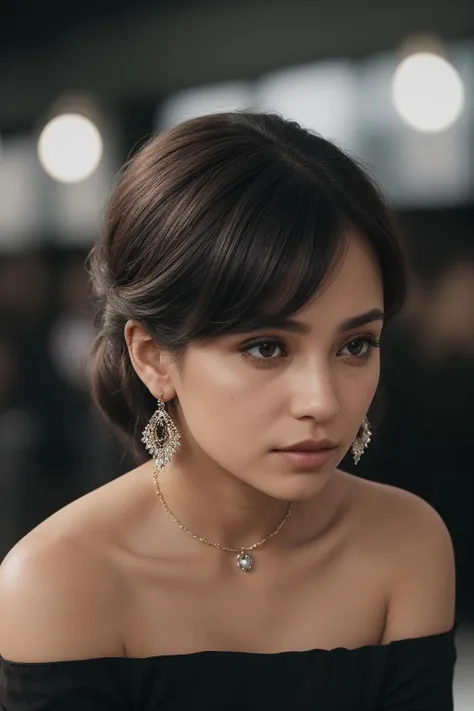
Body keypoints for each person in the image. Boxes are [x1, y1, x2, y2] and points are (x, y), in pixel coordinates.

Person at [0, 112, 456, 710]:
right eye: (266, 348)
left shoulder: (405, 544)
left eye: (354, 346)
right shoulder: (59, 580)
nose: (322, 400)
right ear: (153, 357)